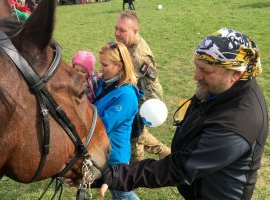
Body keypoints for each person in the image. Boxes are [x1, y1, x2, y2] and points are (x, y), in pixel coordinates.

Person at [94, 28, 269, 200]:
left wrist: (116, 175)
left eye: (206, 71)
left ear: (235, 75)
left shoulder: (237, 124)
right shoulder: (222, 89)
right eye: (197, 67)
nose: (196, 76)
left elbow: (179, 167)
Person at [115, 10, 170, 162]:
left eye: (122, 30)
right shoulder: (129, 43)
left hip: (146, 102)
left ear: (135, 31)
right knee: (137, 134)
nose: (117, 33)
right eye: (116, 28)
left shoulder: (138, 57)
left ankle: (136, 168)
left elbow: (146, 86)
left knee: (136, 135)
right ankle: (164, 152)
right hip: (137, 94)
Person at [94, 41, 143, 200]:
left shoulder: (126, 96)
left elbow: (102, 126)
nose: (101, 68)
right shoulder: (106, 84)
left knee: (123, 194)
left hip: (116, 158)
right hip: (104, 152)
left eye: (105, 65)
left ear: (119, 66)